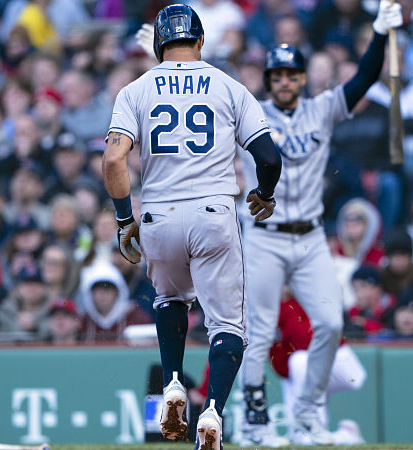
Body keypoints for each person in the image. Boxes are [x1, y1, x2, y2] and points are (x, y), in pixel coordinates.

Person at [103, 5, 283, 449]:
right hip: (212, 212)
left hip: (158, 215)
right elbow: (269, 157)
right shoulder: (228, 86)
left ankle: (171, 384)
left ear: (157, 44)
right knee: (228, 326)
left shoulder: (137, 89)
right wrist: (264, 193)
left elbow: (112, 159)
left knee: (169, 299)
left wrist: (124, 217)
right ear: (200, 41)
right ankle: (215, 413)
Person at [238, 1, 403, 445]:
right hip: (264, 236)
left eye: (292, 74)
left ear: (302, 77)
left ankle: (308, 414)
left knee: (331, 324)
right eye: (278, 76)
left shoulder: (322, 108)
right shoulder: (247, 113)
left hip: (310, 235)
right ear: (269, 80)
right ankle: (254, 425)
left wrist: (381, 33)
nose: (285, 81)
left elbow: (365, 78)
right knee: (259, 330)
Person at [269, 288, 366, 445]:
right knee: (299, 438)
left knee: (300, 361)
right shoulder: (271, 307)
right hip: (305, 370)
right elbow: (280, 364)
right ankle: (345, 436)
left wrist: (285, 308)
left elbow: (306, 340)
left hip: (340, 363)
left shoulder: (304, 297)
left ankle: (315, 430)